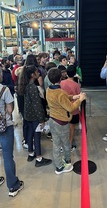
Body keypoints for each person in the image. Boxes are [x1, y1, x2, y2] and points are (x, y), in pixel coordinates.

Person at [46, 67, 86, 175]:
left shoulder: (49, 89)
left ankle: (58, 165)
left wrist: (74, 96)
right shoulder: (60, 93)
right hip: (61, 122)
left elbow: (63, 97)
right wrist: (80, 99)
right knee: (66, 144)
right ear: (60, 77)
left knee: (56, 144)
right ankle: (67, 162)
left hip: (52, 120)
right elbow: (70, 108)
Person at [18, 65, 52, 167]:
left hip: (27, 115)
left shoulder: (25, 85)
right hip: (34, 116)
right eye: (37, 72)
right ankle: (39, 158)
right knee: (37, 135)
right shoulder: (33, 87)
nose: (39, 73)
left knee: (30, 134)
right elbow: (37, 105)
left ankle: (31, 153)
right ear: (33, 75)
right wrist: (42, 119)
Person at [0, 67, 24, 197]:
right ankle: (13, 186)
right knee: (8, 156)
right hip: (5, 126)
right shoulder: (4, 90)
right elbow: (10, 110)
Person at [60, 65, 81, 151]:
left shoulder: (61, 83)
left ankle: (62, 145)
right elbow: (79, 97)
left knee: (63, 127)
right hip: (73, 109)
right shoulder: (77, 85)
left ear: (66, 73)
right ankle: (69, 144)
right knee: (72, 127)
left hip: (63, 108)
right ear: (75, 73)